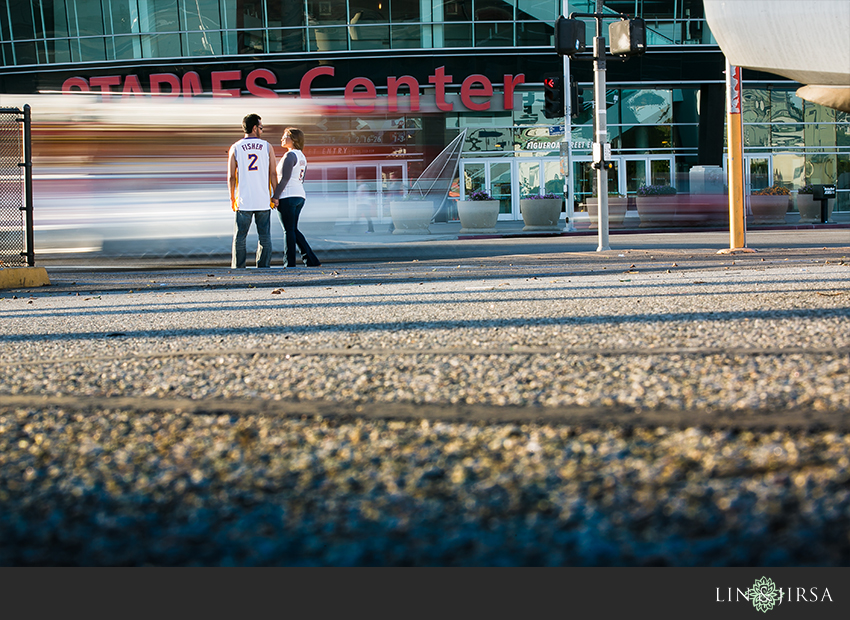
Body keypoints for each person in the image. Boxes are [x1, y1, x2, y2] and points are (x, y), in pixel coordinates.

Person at [227, 113, 277, 269]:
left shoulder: (235, 147)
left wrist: (232, 198)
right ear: (255, 128)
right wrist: (275, 196)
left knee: (240, 237)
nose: (262, 130)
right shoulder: (267, 147)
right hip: (263, 199)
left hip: (244, 200)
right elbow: (273, 173)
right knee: (264, 237)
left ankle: (238, 268)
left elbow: (231, 177)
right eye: (261, 128)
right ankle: (263, 269)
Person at [272, 127, 321, 267]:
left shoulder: (289, 156)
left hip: (287, 196)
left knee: (288, 230)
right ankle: (311, 260)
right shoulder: (301, 157)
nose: (282, 138)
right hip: (299, 196)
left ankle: (290, 263)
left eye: (285, 136)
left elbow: (285, 179)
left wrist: (275, 197)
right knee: (292, 229)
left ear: (293, 139)